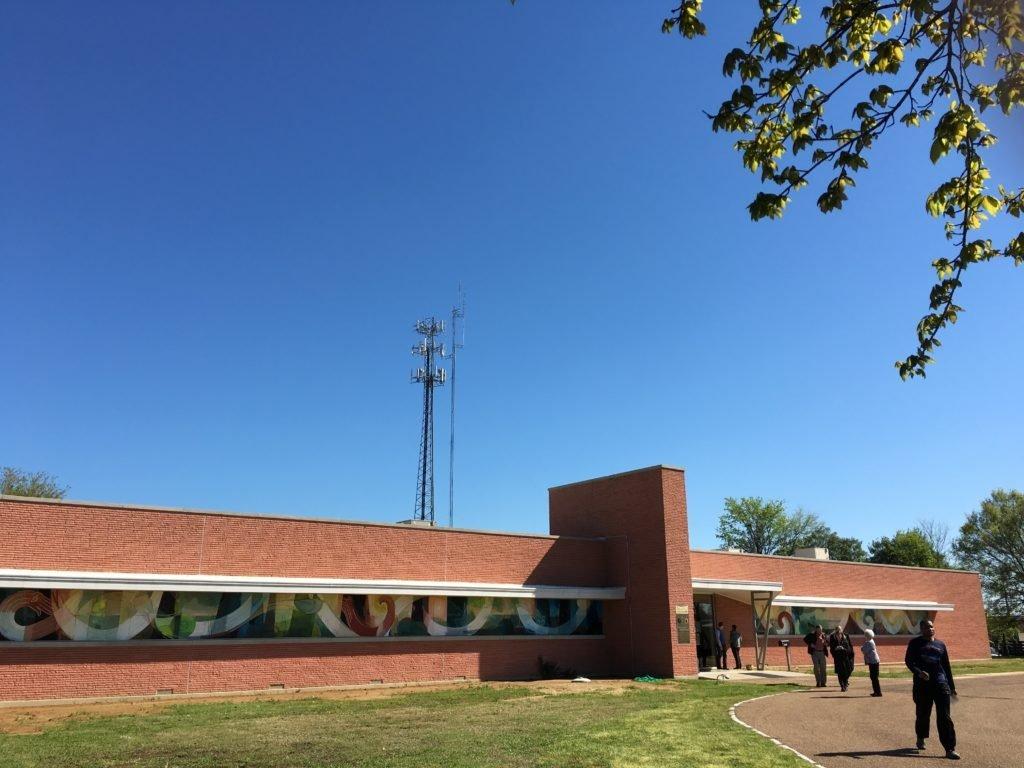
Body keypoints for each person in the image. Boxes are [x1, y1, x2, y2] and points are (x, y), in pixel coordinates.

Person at [905, 619, 960, 760]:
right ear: (921, 629)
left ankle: (949, 748)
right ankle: (921, 736)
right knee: (923, 714)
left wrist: (952, 687)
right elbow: (909, 661)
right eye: (927, 627)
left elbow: (946, 667)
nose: (930, 629)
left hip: (941, 684)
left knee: (944, 716)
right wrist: (919, 672)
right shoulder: (915, 643)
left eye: (931, 626)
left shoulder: (940, 644)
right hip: (922, 685)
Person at [829, 625, 855, 692]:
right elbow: (831, 647)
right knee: (840, 672)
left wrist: (845, 649)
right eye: (837, 630)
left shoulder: (846, 636)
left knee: (848, 670)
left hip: (845, 656)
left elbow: (849, 645)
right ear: (835, 630)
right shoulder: (832, 637)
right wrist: (835, 649)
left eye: (839, 630)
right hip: (838, 657)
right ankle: (843, 686)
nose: (838, 631)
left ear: (842, 630)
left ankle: (845, 682)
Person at [861, 628, 882, 697]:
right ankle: (876, 691)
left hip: (873, 661)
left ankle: (878, 692)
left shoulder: (869, 642)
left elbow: (864, 650)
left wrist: (862, 648)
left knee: (874, 677)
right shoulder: (871, 641)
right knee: (873, 677)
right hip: (873, 661)